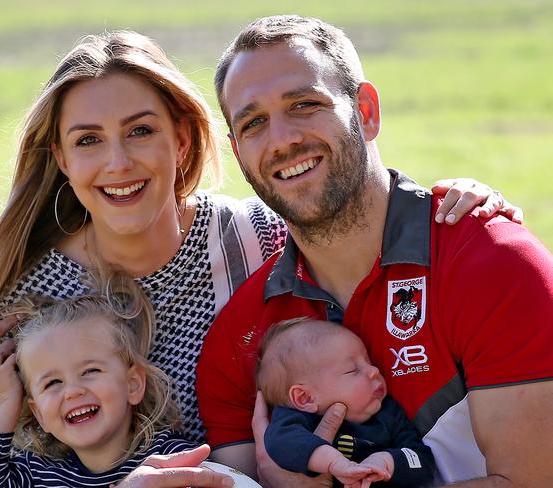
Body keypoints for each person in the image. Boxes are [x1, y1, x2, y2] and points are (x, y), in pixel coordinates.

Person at [0, 28, 516, 487]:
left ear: (182, 140)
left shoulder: (257, 237)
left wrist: (449, 198)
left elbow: (352, 218)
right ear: (62, 160)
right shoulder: (33, 295)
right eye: (88, 140)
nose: (118, 163)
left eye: (141, 131)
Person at [197, 14, 553, 488]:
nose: (282, 139)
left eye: (304, 104)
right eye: (254, 123)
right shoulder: (239, 342)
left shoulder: (494, 261)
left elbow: (531, 480)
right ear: (239, 155)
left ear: (365, 111)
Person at [0, 274, 201, 486]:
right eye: (52, 383)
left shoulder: (171, 461)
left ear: (132, 384)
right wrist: (6, 401)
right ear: (39, 414)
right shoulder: (36, 474)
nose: (72, 391)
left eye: (90, 371)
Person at [257, 318, 435, 488]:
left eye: (368, 361)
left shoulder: (388, 412)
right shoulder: (295, 420)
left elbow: (421, 460)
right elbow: (283, 444)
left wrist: (385, 460)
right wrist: (334, 462)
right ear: (305, 398)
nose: (374, 371)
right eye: (353, 370)